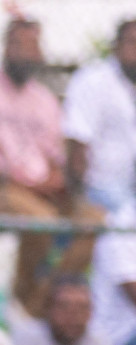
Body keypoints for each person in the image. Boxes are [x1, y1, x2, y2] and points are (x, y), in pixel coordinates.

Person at [0, 18, 101, 316]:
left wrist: (56, 180)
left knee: (95, 219)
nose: (27, 53)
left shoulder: (44, 99)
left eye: (33, 46)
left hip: (40, 189)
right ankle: (30, 302)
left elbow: (56, 156)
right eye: (20, 45)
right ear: (5, 47)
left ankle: (37, 302)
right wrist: (29, 185)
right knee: (41, 219)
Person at [63, 20, 136, 213]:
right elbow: (77, 142)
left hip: (129, 190)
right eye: (133, 42)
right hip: (99, 189)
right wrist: (79, 200)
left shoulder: (131, 85)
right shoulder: (94, 80)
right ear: (116, 46)